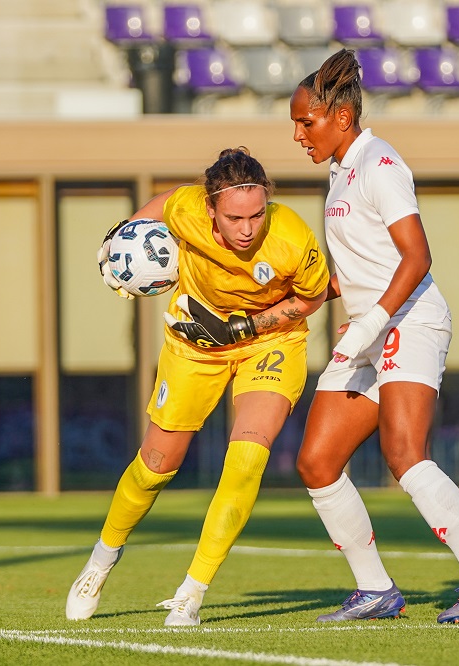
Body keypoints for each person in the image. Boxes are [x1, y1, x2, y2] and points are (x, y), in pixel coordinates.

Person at [288, 49, 459, 624]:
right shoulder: (341, 170)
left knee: (402, 451)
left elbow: (417, 256)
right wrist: (304, 300)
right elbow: (366, 265)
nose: (298, 134)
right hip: (370, 329)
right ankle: (375, 591)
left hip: (410, 321)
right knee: (317, 462)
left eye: (305, 121)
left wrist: (372, 320)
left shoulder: (380, 163)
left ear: (341, 116)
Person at [65, 147, 330, 627]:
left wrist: (251, 326)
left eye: (255, 214)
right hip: (194, 345)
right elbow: (167, 202)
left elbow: (314, 296)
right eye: (234, 218)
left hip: (271, 342)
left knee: (246, 460)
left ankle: (191, 593)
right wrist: (121, 237)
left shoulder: (292, 235)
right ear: (210, 209)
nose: (248, 229)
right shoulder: (188, 207)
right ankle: (100, 563)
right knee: (156, 466)